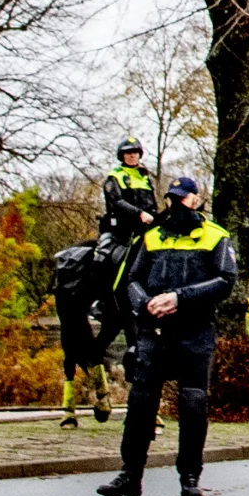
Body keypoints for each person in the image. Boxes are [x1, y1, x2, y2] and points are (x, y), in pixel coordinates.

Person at [98, 172, 238, 496]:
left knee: (192, 404)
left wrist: (179, 298)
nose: (177, 204)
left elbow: (225, 281)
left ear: (195, 200)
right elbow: (131, 280)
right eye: (172, 199)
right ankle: (130, 475)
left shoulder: (215, 237)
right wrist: (144, 303)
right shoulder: (151, 237)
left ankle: (189, 477)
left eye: (183, 198)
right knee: (140, 403)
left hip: (194, 331)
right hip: (154, 332)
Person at [52, 139, 151, 427]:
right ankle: (98, 299)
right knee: (102, 258)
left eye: (135, 153)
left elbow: (152, 205)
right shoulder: (114, 177)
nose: (132, 156)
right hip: (117, 233)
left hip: (141, 233)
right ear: (122, 156)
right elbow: (117, 203)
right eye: (128, 153)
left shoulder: (144, 177)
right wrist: (138, 214)